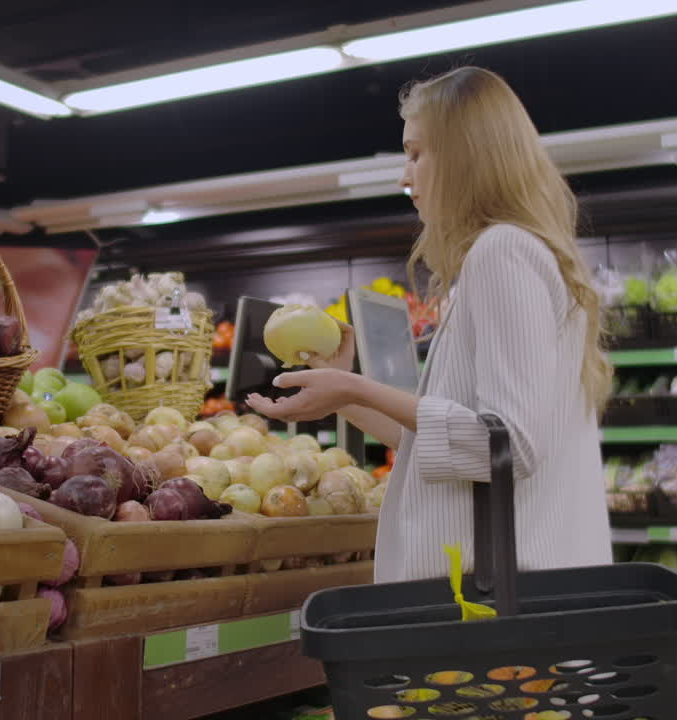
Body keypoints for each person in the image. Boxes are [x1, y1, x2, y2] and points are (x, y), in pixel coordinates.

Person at [246, 67, 614, 583]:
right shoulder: (509, 256)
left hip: (500, 605)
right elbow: (459, 442)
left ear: (467, 153)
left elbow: (507, 444)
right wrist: (349, 398)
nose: (404, 175)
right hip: (518, 597)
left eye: (417, 153)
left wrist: (355, 385)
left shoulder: (502, 252)